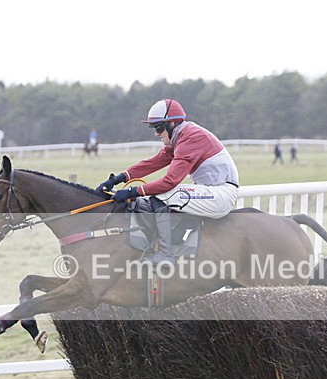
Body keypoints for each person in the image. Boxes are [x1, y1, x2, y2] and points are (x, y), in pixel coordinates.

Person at [96, 98, 240, 265]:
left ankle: (166, 254)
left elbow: (169, 181)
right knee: (158, 196)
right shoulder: (180, 136)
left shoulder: (191, 138)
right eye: (153, 128)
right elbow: (153, 162)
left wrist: (131, 192)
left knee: (165, 194)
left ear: (171, 124)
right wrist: (118, 179)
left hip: (220, 194)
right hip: (210, 191)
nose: (156, 133)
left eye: (158, 128)